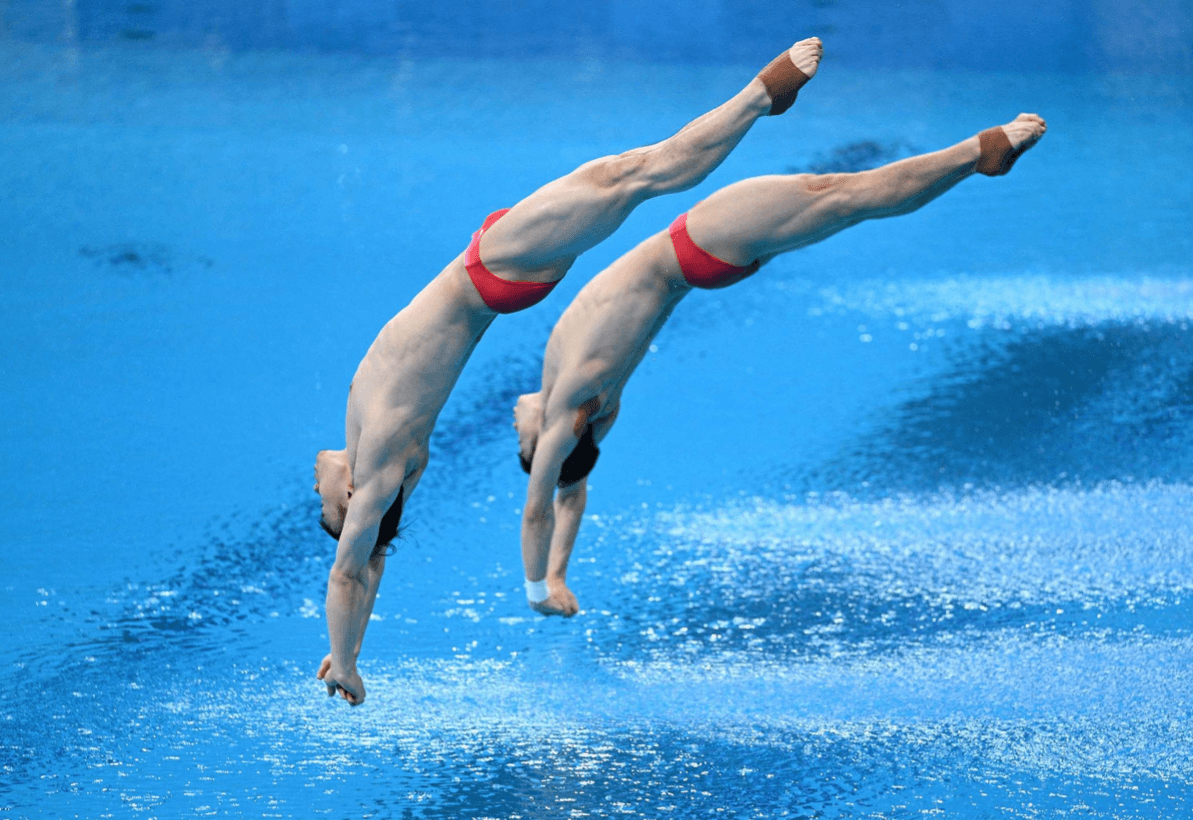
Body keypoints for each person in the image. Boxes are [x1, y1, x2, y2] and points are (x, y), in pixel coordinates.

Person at [312, 37, 825, 704]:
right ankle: (761, 96)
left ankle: (761, 100)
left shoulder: (372, 454)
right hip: (488, 271)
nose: (315, 486)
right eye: (322, 507)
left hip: (491, 272)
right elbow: (352, 570)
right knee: (634, 174)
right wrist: (346, 663)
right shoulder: (379, 461)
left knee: (630, 176)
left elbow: (369, 564)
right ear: (351, 503)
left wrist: (344, 648)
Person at [514, 113, 1047, 617]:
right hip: (696, 244)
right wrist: (539, 589)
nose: (514, 427)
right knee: (845, 194)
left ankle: (976, 157)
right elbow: (543, 506)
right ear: (542, 443)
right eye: (520, 444)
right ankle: (977, 151)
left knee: (848, 200)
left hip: (699, 259)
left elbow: (570, 496)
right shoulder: (573, 407)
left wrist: (559, 575)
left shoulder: (575, 408)